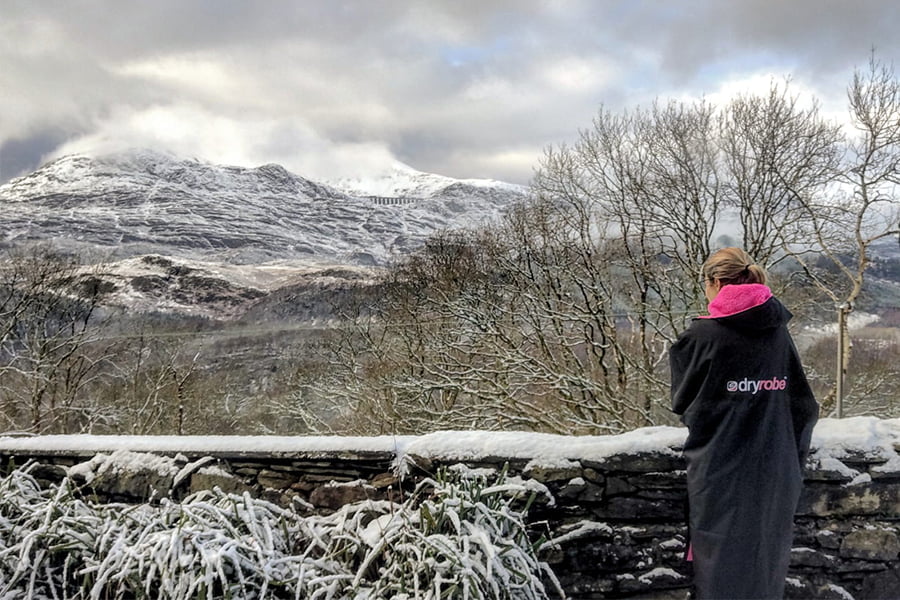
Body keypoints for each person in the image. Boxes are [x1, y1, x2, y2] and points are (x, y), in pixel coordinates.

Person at [669, 247, 819, 600]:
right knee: (765, 567)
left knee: (720, 572)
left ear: (716, 283)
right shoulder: (778, 333)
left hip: (722, 474)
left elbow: (684, 401)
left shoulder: (702, 337)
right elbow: (802, 405)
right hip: (776, 472)